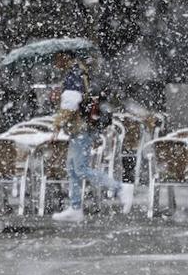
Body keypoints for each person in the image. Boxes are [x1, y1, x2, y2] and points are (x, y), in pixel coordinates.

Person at [50, 52, 133, 222]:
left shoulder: (74, 74)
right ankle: (75, 208)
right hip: (79, 127)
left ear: (65, 57)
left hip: (81, 127)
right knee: (73, 169)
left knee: (80, 169)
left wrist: (57, 124)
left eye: (56, 58)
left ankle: (120, 188)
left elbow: (71, 104)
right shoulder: (79, 71)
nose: (55, 62)